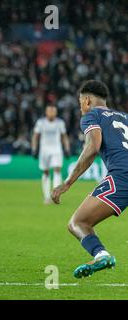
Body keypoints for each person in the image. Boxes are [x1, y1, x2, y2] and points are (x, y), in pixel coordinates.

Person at [51, 80, 125, 278]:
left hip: (122, 175)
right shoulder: (125, 117)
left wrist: (67, 183)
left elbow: (93, 147)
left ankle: (101, 255)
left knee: (78, 223)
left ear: (87, 100)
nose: (80, 106)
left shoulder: (92, 115)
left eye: (80, 102)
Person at [31, 105, 71, 204]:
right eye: (50, 111)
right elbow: (35, 136)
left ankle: (55, 195)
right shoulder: (41, 122)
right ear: (46, 112)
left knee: (57, 170)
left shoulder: (60, 123)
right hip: (44, 150)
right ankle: (47, 197)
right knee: (46, 172)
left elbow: (64, 136)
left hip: (56, 149)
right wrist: (34, 148)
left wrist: (67, 148)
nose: (52, 113)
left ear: (56, 113)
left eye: (53, 111)